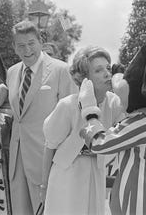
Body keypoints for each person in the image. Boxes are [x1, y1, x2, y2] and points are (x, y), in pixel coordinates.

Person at [42, 46, 125, 215]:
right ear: (84, 78)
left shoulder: (114, 102)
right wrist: (44, 186)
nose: (107, 74)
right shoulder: (67, 105)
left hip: (96, 171)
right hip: (67, 174)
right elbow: (50, 145)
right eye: (98, 70)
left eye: (108, 68)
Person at [6, 20, 78, 214]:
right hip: (17, 159)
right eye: (21, 45)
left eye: (31, 43)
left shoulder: (61, 70)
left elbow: (73, 119)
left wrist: (64, 162)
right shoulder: (11, 73)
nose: (27, 50)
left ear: (40, 41)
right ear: (14, 47)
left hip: (47, 161)